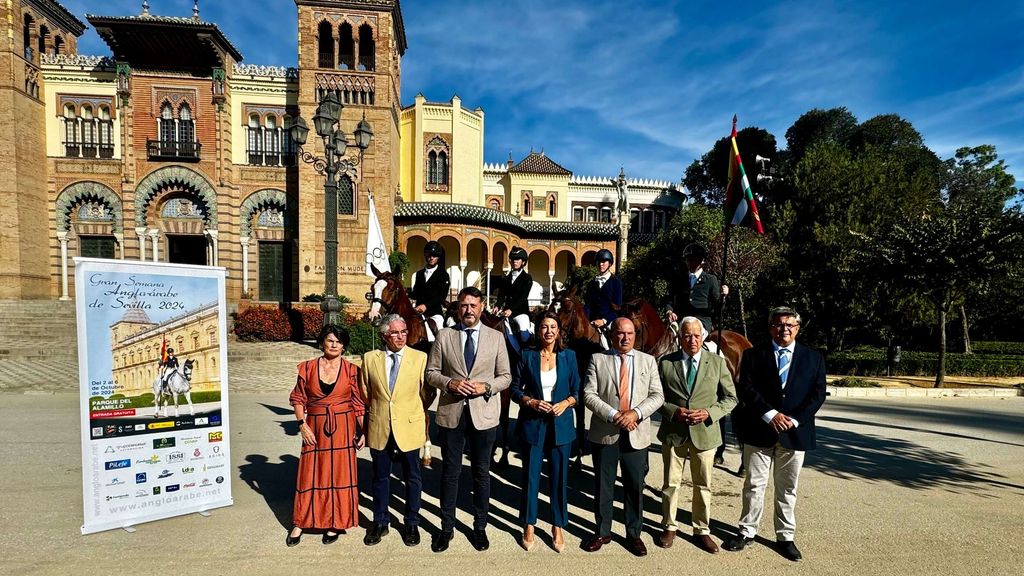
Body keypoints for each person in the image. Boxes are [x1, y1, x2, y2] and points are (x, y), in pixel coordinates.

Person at [722, 307, 827, 562]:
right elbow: (746, 388)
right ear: (771, 327)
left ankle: (785, 537)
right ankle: (747, 531)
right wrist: (770, 415)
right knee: (754, 485)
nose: (785, 329)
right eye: (779, 325)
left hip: (795, 432)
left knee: (787, 488)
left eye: (790, 325)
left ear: (798, 328)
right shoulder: (753, 355)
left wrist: (793, 419)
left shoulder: (813, 358)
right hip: (760, 429)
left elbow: (818, 393)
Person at [425, 286, 512, 553]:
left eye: (473, 305)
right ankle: (446, 527)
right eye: (464, 305)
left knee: (481, 473)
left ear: (482, 306)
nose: (468, 310)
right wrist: (449, 383)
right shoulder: (444, 335)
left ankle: (480, 526)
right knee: (450, 473)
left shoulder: (496, 337)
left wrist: (486, 388)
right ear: (457, 307)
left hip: (483, 416)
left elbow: (506, 376)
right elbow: (431, 373)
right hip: (452, 412)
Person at [582, 317, 664, 557]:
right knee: (603, 485)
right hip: (605, 432)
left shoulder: (648, 361)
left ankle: (634, 534)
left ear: (635, 335)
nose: (625, 338)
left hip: (636, 433)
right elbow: (588, 394)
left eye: (630, 333)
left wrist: (635, 414)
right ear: (613, 334)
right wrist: (613, 414)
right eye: (620, 333)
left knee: (634, 486)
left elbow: (657, 395)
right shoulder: (598, 359)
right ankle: (602, 531)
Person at [655, 317, 737, 553]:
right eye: (687, 335)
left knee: (703, 485)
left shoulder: (717, 363)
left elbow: (731, 398)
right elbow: (657, 397)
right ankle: (669, 526)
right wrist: (673, 411)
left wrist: (709, 413)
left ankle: (701, 530)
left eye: (696, 335)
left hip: (705, 433)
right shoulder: (666, 363)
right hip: (674, 433)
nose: (692, 340)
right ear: (679, 338)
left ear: (703, 337)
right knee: (671, 483)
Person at [286, 325, 365, 547]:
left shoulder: (351, 370)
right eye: (330, 340)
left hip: (343, 427)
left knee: (339, 475)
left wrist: (364, 431)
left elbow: (358, 404)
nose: (334, 345)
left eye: (339, 342)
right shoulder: (308, 368)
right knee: (310, 473)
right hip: (314, 426)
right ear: (322, 342)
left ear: (344, 346)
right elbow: (298, 398)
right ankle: (300, 521)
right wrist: (302, 425)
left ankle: (335, 521)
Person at [510, 311, 579, 553]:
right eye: (543, 327)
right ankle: (528, 524)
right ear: (537, 330)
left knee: (559, 479)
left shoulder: (569, 357)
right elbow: (515, 388)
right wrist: (530, 401)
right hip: (533, 424)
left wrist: (566, 402)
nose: (548, 331)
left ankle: (557, 525)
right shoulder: (527, 355)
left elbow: (578, 391)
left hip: (561, 426)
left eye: (553, 326)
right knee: (530, 476)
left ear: (559, 331)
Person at [359, 315, 429, 547]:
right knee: (380, 477)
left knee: (413, 477)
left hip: (409, 426)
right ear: (383, 336)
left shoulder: (420, 358)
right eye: (395, 333)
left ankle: (411, 522)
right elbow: (365, 392)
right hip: (380, 426)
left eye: (404, 331)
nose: (401, 337)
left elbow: (426, 394)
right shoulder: (370, 359)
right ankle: (380, 522)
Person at [665, 243, 728, 334]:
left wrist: (724, 296)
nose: (691, 262)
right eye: (688, 259)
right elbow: (670, 299)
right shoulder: (679, 279)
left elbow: (717, 306)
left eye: (694, 259)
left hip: (701, 322)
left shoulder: (710, 279)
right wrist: (669, 311)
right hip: (681, 320)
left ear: (702, 261)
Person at [410, 241, 451, 340]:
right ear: (425, 255)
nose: (431, 258)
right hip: (418, 312)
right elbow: (416, 293)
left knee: (441, 335)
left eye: (434, 255)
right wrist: (406, 293)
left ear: (438, 257)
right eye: (429, 255)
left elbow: (441, 297)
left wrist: (426, 306)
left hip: (434, 313)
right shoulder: (419, 274)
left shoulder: (443, 275)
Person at [583, 249, 623, 347]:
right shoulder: (591, 284)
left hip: (610, 320)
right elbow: (588, 305)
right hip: (593, 320)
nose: (601, 264)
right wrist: (586, 320)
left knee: (614, 342)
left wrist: (604, 320)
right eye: (598, 262)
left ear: (609, 264)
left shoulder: (616, 282)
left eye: (603, 262)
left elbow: (617, 307)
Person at [495, 246, 534, 345]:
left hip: (520, 312)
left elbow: (523, 298)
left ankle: (525, 353)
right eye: (512, 259)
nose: (514, 261)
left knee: (524, 334)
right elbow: (501, 295)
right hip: (506, 312)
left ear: (523, 262)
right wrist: (497, 305)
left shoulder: (527, 278)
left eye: (517, 259)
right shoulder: (506, 279)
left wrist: (511, 309)